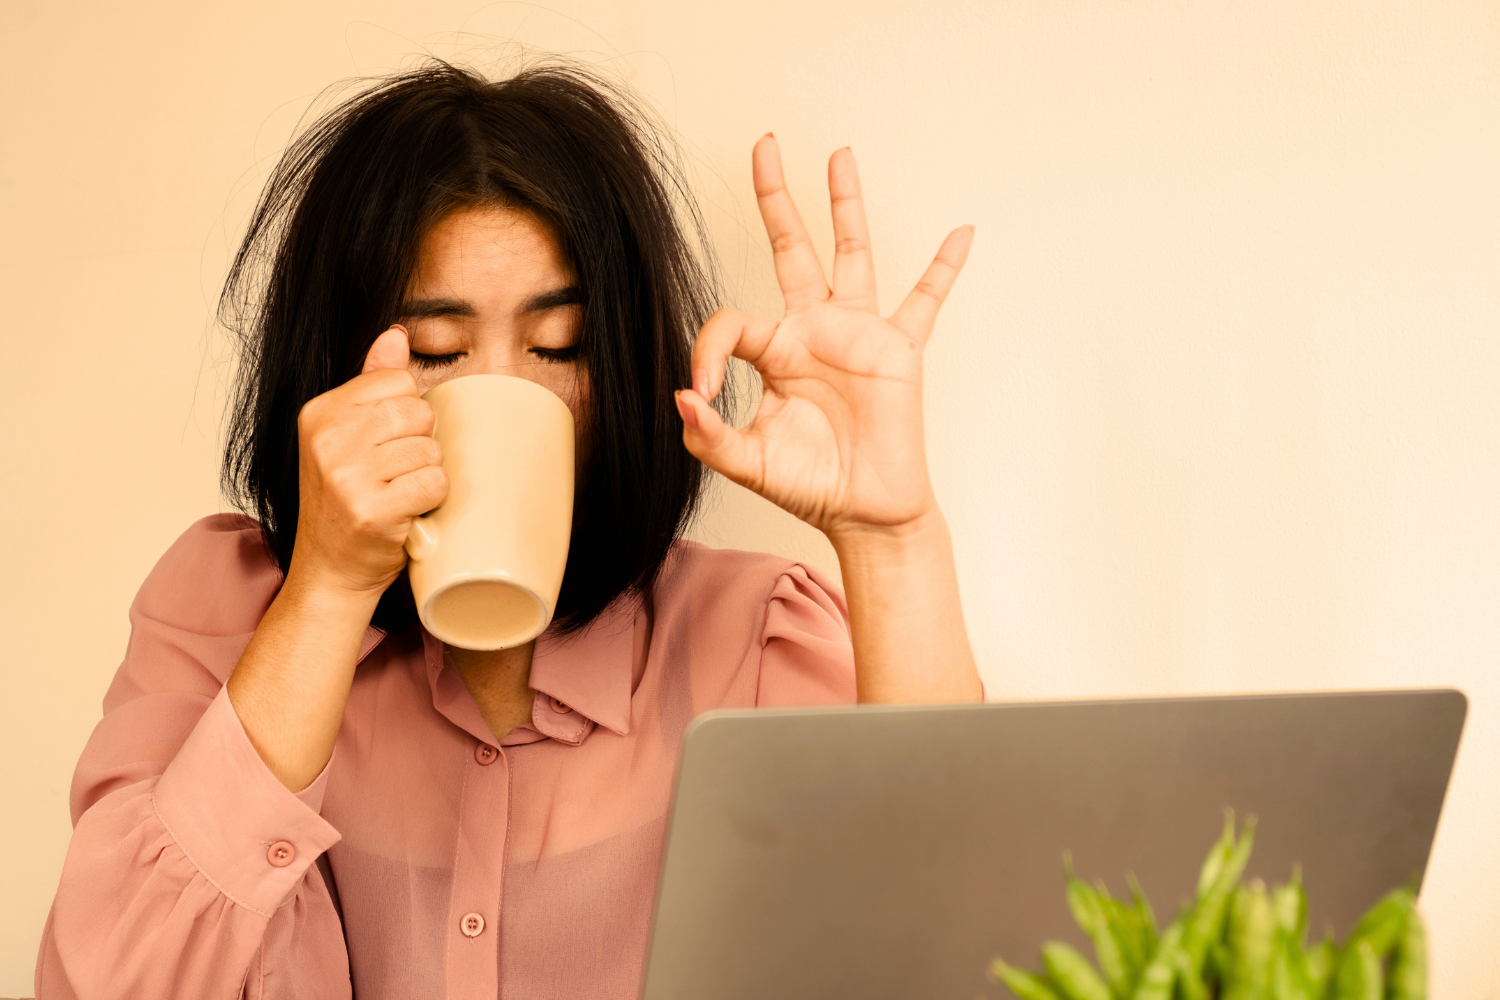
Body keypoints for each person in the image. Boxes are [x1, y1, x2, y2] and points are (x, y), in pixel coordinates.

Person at [36, 60, 981, 1000]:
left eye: (558, 346)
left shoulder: (752, 640)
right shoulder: (223, 609)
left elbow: (975, 955)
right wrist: (326, 589)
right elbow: (110, 984)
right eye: (439, 351)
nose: (508, 392)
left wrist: (890, 537)